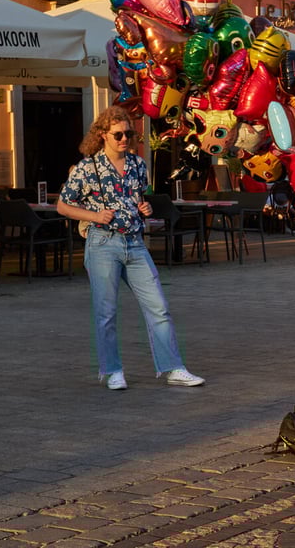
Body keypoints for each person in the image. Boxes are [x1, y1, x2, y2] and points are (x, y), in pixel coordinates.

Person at [57, 105, 205, 390]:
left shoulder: (138, 164)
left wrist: (144, 207)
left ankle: (173, 368)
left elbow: (137, 198)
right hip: (102, 244)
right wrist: (93, 216)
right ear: (102, 135)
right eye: (118, 134)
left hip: (135, 243)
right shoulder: (88, 167)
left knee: (159, 307)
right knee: (106, 312)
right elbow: (63, 205)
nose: (125, 139)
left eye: (129, 133)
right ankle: (112, 371)